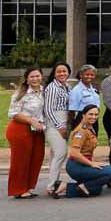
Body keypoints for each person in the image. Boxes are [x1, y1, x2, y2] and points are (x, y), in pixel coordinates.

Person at [6, 66, 46, 199]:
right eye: (32, 76)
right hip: (20, 129)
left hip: (37, 130)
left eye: (37, 76)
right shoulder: (20, 93)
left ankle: (28, 187)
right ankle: (18, 189)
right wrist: (31, 121)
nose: (35, 79)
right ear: (27, 79)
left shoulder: (44, 91)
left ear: (42, 76)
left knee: (36, 158)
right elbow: (13, 114)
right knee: (20, 160)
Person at [65, 105, 111, 198]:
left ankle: (64, 187)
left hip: (84, 164)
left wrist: (93, 162)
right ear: (83, 115)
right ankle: (84, 186)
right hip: (76, 166)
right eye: (90, 114)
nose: (93, 117)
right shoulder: (81, 131)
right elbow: (74, 153)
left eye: (96, 115)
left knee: (95, 190)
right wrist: (91, 164)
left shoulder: (90, 128)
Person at [42, 61, 71, 197]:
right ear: (54, 73)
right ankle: (51, 185)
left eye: (64, 71)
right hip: (54, 124)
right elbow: (48, 109)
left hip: (65, 122)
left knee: (56, 155)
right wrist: (59, 126)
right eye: (59, 71)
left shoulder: (66, 86)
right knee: (61, 153)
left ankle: (54, 182)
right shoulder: (52, 87)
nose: (62, 73)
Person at [68, 64, 100, 134]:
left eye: (92, 75)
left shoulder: (93, 89)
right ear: (81, 75)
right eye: (87, 74)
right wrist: (74, 125)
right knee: (81, 142)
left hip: (94, 119)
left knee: (93, 142)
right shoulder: (77, 90)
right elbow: (71, 111)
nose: (89, 76)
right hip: (82, 120)